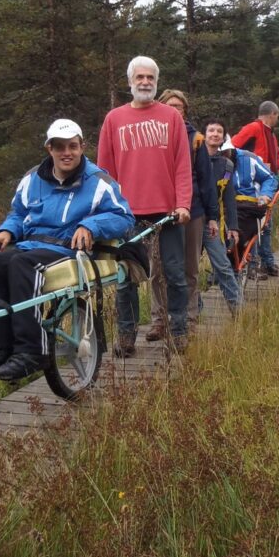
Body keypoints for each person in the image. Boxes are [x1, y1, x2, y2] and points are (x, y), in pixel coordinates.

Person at [0, 119, 134, 381]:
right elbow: (19, 213)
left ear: (82, 147)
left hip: (66, 248)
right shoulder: (32, 179)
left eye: (73, 146)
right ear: (48, 148)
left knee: (21, 265)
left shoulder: (99, 181)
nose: (67, 153)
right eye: (59, 147)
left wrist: (90, 225)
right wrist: (6, 230)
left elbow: (124, 217)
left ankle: (30, 351)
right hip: (29, 243)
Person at [97, 57, 192, 356]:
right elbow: (104, 171)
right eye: (139, 77)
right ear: (129, 82)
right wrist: (106, 209)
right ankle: (126, 336)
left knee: (175, 275)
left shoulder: (171, 117)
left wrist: (183, 204)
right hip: (127, 214)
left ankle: (178, 331)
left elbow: (182, 166)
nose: (145, 82)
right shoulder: (114, 119)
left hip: (167, 214)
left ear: (156, 81)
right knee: (127, 280)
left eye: (150, 77)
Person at [147, 90, 219, 337]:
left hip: (193, 210)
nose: (175, 110)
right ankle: (159, 319)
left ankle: (188, 318)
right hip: (159, 211)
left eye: (179, 106)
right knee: (157, 269)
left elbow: (207, 181)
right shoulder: (153, 136)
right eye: (170, 105)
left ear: (185, 111)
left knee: (189, 268)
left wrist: (213, 216)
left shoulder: (196, 139)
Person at [231, 101, 279, 276]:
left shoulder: (270, 135)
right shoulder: (253, 128)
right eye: (277, 116)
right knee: (255, 227)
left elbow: (277, 154)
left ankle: (267, 263)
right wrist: (250, 165)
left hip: (267, 184)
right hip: (252, 187)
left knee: (266, 226)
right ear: (273, 114)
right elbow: (233, 147)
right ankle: (252, 265)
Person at [203, 119, 242, 313]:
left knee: (223, 266)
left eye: (219, 131)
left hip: (212, 225)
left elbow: (229, 198)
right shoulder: (191, 159)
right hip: (190, 222)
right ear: (204, 134)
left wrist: (233, 227)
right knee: (188, 270)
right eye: (211, 130)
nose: (215, 134)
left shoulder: (226, 165)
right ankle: (194, 311)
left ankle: (238, 310)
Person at [224, 140, 278, 278]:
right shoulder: (211, 161)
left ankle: (248, 265)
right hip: (223, 206)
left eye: (226, 152)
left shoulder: (248, 159)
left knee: (244, 233)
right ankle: (224, 267)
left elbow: (269, 178)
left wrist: (266, 194)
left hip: (249, 206)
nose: (223, 155)